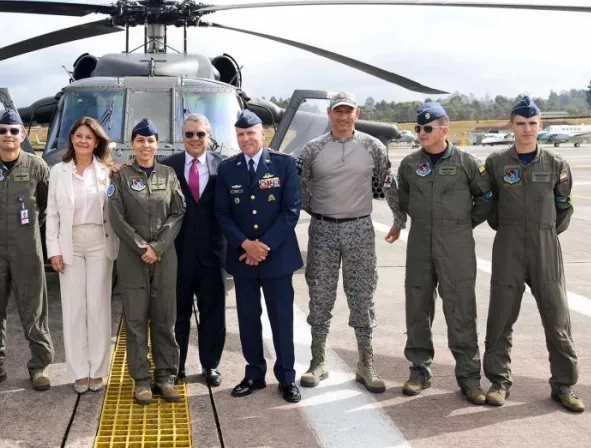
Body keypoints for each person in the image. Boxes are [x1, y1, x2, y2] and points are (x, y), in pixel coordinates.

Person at [296, 91, 406, 394]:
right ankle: (318, 360)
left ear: (356, 114)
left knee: (362, 295)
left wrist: (398, 219)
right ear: (329, 114)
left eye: (349, 111)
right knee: (319, 294)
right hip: (322, 230)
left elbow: (386, 185)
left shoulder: (373, 146)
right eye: (337, 111)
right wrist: (322, 214)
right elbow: (303, 190)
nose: (343, 117)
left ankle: (366, 364)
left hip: (359, 229)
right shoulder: (312, 149)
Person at [482, 96, 584, 413]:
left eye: (532, 123)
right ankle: (499, 382)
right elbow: (490, 208)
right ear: (511, 126)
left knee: (557, 318)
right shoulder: (497, 163)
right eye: (521, 123)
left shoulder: (556, 165)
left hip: (545, 244)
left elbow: (564, 209)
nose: (527, 129)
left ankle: (563, 386)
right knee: (501, 316)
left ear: (541, 126)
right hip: (508, 243)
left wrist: (545, 231)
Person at [396, 102, 492, 405]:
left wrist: (462, 224)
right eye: (418, 128)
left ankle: (469, 378)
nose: (422, 133)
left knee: (461, 307)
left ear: (444, 130)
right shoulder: (410, 165)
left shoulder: (466, 162)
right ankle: (419, 371)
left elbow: (486, 198)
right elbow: (405, 200)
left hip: (456, 245)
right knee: (417, 306)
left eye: (428, 128)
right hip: (420, 243)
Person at [215, 109, 303, 404]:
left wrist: (262, 246)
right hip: (243, 260)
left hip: (276, 258)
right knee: (248, 319)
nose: (245, 139)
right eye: (240, 135)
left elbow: (290, 210)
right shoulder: (228, 169)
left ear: (262, 133)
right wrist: (245, 245)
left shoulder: (283, 164)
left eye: (250, 133)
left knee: (281, 320)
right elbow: (222, 214)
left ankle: (287, 377)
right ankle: (254, 374)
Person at [0, 109, 55, 392]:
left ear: (23, 135)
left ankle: (39, 365)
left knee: (34, 308)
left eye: (14, 131)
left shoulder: (37, 166)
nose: (9, 135)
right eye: (4, 130)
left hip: (27, 248)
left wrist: (27, 228)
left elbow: (44, 204)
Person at [107, 118, 186, 405]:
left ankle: (165, 377)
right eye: (140, 140)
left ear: (157, 143)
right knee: (137, 321)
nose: (145, 145)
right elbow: (116, 216)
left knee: (165, 318)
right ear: (132, 144)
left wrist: (159, 246)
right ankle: (141, 380)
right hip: (133, 258)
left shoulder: (169, 174)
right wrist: (142, 246)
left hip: (165, 258)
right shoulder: (120, 177)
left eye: (150, 140)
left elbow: (178, 211)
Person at [46, 116, 119, 394]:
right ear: (72, 139)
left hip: (100, 241)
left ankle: (98, 371)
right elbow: (51, 213)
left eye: (89, 137)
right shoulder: (59, 172)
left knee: (98, 308)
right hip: (70, 242)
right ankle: (79, 372)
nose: (83, 141)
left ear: (97, 141)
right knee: (74, 309)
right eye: (79, 136)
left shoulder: (108, 170)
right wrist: (54, 250)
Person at [160, 112, 226, 387]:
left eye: (201, 134)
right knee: (178, 314)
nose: (195, 139)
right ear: (182, 137)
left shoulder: (223, 167)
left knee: (213, 314)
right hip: (178, 253)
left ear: (209, 137)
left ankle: (210, 365)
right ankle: (177, 365)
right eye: (190, 134)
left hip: (213, 254)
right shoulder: (168, 166)